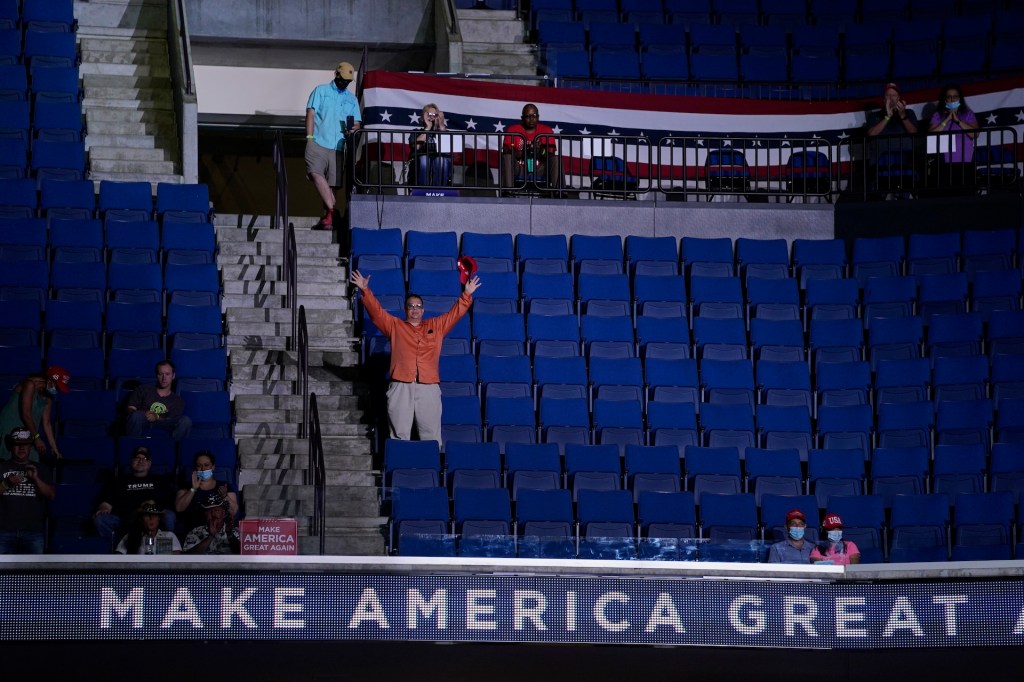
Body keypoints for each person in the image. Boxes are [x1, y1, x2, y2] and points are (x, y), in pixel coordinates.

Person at [349, 268, 481, 445]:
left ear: (423, 310)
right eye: (411, 306)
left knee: (431, 436)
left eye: (418, 306)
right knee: (399, 435)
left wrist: (466, 293)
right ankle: (398, 468)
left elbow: (454, 314)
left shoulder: (437, 325)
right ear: (406, 310)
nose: (415, 309)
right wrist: (365, 290)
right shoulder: (395, 326)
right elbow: (377, 313)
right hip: (401, 385)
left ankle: (430, 469)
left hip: (429, 386)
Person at [305, 60, 362, 231]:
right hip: (318, 141)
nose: (345, 83)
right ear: (335, 74)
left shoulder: (351, 99)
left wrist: (354, 128)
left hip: (339, 146)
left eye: (348, 81)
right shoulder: (321, 90)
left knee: (333, 185)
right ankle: (332, 209)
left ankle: (328, 218)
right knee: (314, 172)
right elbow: (310, 113)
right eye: (342, 78)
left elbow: (358, 122)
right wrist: (309, 137)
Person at [93, 444, 176, 542]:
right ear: (131, 461)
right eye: (137, 457)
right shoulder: (119, 481)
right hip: (126, 519)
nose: (140, 461)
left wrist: (154, 513)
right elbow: (106, 502)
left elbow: (169, 503)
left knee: (170, 516)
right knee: (100, 520)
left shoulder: (160, 480)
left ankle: (162, 545)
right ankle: (121, 545)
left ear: (149, 463)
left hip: (152, 517)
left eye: (144, 458)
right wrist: (104, 507)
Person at [0, 427, 55, 553]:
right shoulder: (1, 467)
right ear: (11, 446)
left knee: (34, 571)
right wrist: (6, 483)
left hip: (33, 532)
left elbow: (51, 495)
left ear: (31, 447)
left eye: (25, 444)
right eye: (17, 444)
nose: (22, 448)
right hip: (4, 532)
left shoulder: (41, 469)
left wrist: (36, 479)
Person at [0, 366, 68, 462]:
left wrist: (54, 448)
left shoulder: (48, 398)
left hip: (28, 433)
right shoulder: (29, 384)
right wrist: (37, 438)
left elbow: (47, 423)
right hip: (9, 429)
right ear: (49, 380)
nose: (57, 390)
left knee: (30, 466)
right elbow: (26, 415)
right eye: (57, 386)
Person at [865, 82, 920, 197]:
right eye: (887, 95)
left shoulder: (909, 113)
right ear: (884, 99)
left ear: (899, 98)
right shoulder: (874, 116)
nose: (891, 98)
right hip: (881, 165)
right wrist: (887, 117)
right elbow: (871, 134)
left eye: (894, 95)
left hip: (905, 164)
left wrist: (902, 116)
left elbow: (914, 132)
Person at [175, 449, 239, 535]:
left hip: (219, 528)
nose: (203, 469)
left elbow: (233, 511)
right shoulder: (187, 486)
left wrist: (224, 496)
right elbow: (179, 508)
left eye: (206, 465)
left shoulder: (224, 486)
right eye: (199, 465)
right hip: (194, 530)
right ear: (195, 468)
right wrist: (193, 489)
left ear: (213, 467)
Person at [125, 359, 192, 441]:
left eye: (167, 374)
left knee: (185, 421)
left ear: (173, 376)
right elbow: (130, 408)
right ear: (157, 375)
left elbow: (171, 418)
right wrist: (144, 414)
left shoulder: (177, 400)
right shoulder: (143, 389)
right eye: (161, 374)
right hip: (143, 420)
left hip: (164, 424)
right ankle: (134, 449)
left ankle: (173, 450)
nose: (164, 378)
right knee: (136, 416)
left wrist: (156, 416)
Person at [927, 84, 979, 189]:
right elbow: (931, 134)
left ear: (960, 99)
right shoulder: (938, 115)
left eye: (955, 96)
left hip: (965, 162)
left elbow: (975, 134)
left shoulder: (967, 114)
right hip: (943, 164)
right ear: (945, 100)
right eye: (949, 97)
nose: (952, 99)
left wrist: (958, 121)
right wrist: (946, 120)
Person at [501, 103, 561, 194]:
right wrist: (522, 151)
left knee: (556, 159)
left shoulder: (546, 130)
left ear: (538, 117)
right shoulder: (513, 129)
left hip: (540, 169)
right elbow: (506, 151)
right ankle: (508, 191)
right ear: (522, 118)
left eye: (534, 116)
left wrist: (541, 150)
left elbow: (550, 153)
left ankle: (559, 193)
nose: (531, 119)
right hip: (520, 168)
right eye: (528, 116)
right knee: (507, 157)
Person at [407, 103, 453, 187]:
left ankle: (438, 191)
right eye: (429, 114)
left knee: (441, 160)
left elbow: (448, 149)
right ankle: (423, 190)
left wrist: (442, 126)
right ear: (423, 117)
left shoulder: (444, 132)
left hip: (440, 160)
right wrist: (427, 128)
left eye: (434, 115)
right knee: (424, 159)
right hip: (420, 163)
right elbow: (416, 147)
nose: (431, 117)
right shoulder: (416, 132)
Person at [114, 500, 182, 555]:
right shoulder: (130, 536)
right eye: (147, 515)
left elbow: (176, 561)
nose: (151, 518)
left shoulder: (169, 536)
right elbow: (118, 557)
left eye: (155, 515)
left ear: (159, 518)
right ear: (141, 519)